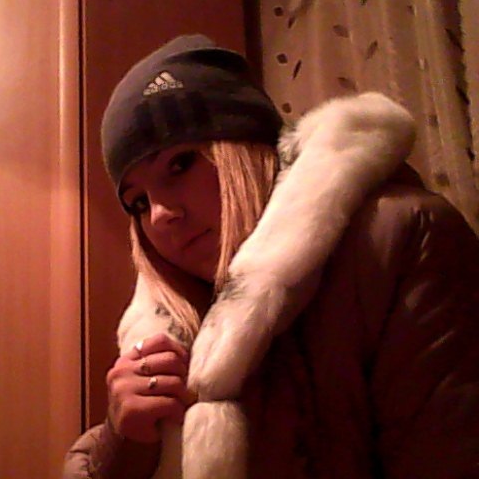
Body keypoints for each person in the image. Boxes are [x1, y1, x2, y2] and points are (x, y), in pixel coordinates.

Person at [63, 34, 479, 479]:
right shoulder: (171, 322)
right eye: (138, 202)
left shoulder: (397, 238)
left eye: (180, 164)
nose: (161, 214)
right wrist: (124, 444)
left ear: (245, 153)